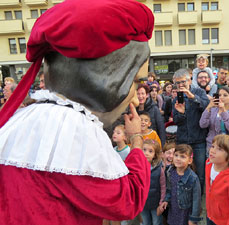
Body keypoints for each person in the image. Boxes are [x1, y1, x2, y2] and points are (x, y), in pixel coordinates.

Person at [0, 0, 154, 224]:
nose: (133, 96)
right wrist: (136, 139)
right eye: (134, 81)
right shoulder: (75, 131)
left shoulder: (20, 120)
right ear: (107, 77)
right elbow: (127, 200)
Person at [172, 68, 209, 191]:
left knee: (200, 173)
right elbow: (177, 121)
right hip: (183, 139)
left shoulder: (199, 91)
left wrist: (192, 97)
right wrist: (181, 113)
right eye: (178, 83)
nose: (181, 85)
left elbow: (206, 108)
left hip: (199, 140)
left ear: (189, 80)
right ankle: (186, 196)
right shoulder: (176, 98)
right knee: (182, 171)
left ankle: (199, 200)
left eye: (183, 82)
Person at [159, 144, 202, 225]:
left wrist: (193, 219)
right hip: (173, 210)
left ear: (190, 160)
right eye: (176, 155)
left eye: (182, 156)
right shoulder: (170, 172)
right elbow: (169, 189)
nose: (178, 159)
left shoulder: (193, 178)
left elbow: (197, 200)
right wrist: (166, 200)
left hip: (185, 212)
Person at [200, 86, 229, 152]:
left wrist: (223, 111)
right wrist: (208, 108)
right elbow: (202, 124)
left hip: (227, 147)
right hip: (212, 146)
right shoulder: (213, 110)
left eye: (225, 95)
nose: (221, 97)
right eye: (219, 95)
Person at [141, 139, 166, 225]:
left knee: (156, 222)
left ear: (155, 155)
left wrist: (161, 202)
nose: (146, 153)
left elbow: (163, 187)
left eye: (150, 151)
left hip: (155, 204)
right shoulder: (138, 168)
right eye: (144, 150)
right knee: (146, 222)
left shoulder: (159, 170)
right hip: (142, 204)